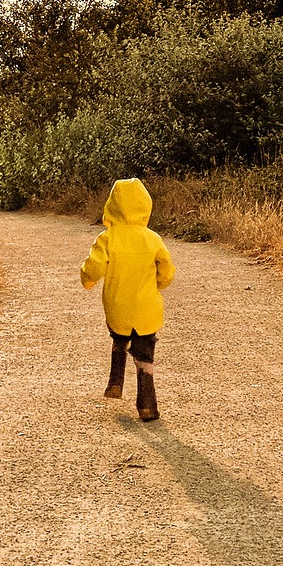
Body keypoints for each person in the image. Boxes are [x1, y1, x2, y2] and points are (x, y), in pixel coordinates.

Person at [80, 178, 175, 422]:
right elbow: (166, 269)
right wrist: (160, 284)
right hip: (147, 308)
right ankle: (147, 405)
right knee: (145, 356)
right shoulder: (152, 239)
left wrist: (87, 280)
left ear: (112, 206)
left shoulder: (108, 238)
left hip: (117, 305)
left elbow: (94, 266)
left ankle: (115, 382)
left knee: (119, 338)